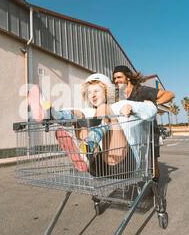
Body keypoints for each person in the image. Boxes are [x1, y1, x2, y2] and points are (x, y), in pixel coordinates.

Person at [27, 73, 157, 178]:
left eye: (96, 91)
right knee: (78, 115)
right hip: (97, 166)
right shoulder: (89, 112)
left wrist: (132, 108)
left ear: (107, 92)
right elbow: (73, 112)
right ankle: (51, 114)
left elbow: (151, 109)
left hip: (124, 164)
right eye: (89, 93)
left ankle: (88, 147)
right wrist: (56, 115)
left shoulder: (121, 105)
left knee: (103, 109)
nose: (92, 95)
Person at [112, 66, 175, 181]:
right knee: (136, 162)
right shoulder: (120, 96)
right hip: (133, 134)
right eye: (114, 78)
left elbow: (170, 94)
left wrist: (153, 105)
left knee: (152, 164)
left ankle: (154, 189)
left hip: (149, 133)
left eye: (119, 77)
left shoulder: (141, 90)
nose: (116, 80)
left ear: (128, 77)